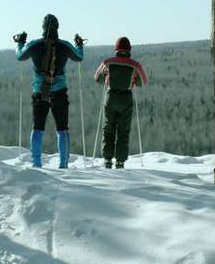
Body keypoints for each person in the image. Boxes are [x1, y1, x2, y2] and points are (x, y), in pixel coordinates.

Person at [14, 14, 85, 168]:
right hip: (59, 91)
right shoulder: (64, 46)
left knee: (38, 127)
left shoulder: (35, 45)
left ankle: (37, 164)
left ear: (43, 27)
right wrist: (79, 44)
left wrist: (20, 42)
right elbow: (79, 57)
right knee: (62, 128)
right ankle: (63, 165)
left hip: (39, 91)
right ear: (57, 27)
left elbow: (20, 56)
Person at [94, 37, 148, 169]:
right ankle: (120, 161)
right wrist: (133, 80)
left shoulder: (107, 62)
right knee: (123, 131)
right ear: (129, 50)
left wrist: (107, 79)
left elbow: (97, 78)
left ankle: (107, 159)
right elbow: (143, 82)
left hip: (110, 96)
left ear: (116, 49)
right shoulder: (135, 65)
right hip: (126, 99)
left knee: (108, 128)